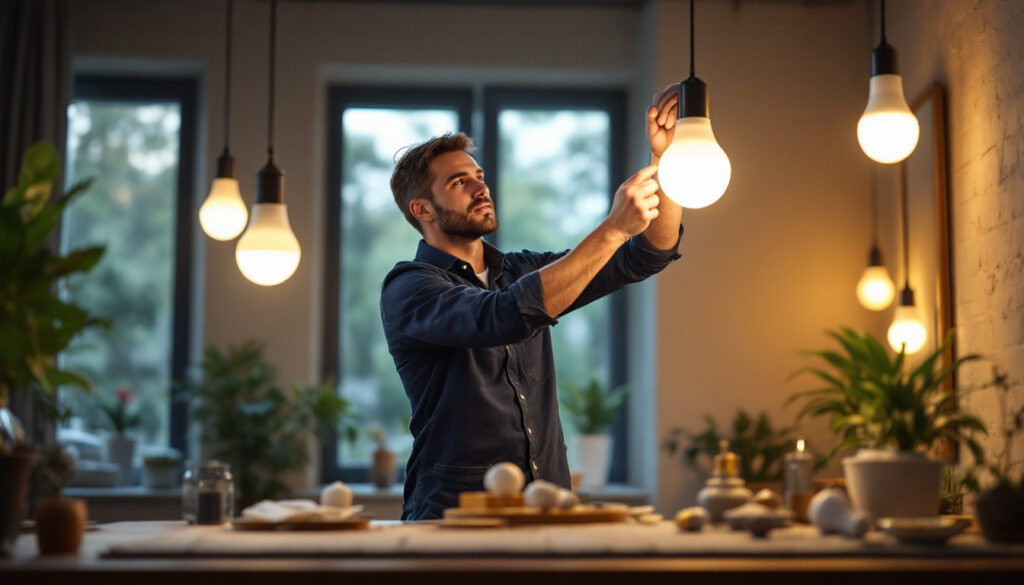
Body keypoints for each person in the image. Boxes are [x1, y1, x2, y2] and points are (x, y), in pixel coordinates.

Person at [381, 85, 684, 520]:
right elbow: (500, 316)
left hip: (548, 509)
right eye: (459, 182)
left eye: (479, 176)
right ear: (423, 210)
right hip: (451, 518)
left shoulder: (522, 271)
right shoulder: (409, 287)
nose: (480, 188)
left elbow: (648, 253)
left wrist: (665, 164)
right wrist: (613, 229)